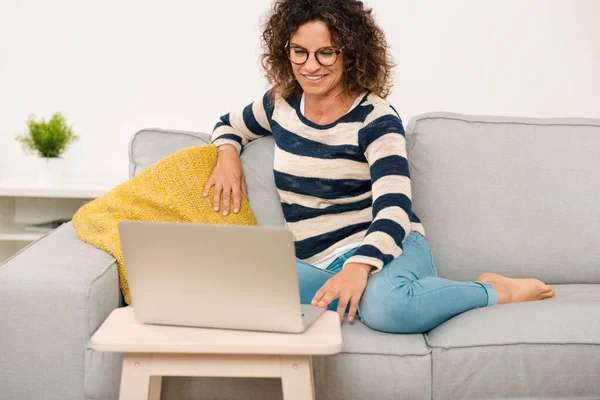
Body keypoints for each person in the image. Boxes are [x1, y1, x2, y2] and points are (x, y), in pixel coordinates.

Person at [203, 0, 555, 334]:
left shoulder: (376, 119)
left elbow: (394, 208)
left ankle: (493, 290)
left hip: (390, 245)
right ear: (286, 50)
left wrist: (360, 267)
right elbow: (228, 124)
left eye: (326, 52)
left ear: (350, 52)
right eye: (299, 51)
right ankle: (359, 296)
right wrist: (228, 154)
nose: (310, 66)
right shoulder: (279, 104)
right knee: (237, 283)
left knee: (389, 308)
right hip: (317, 263)